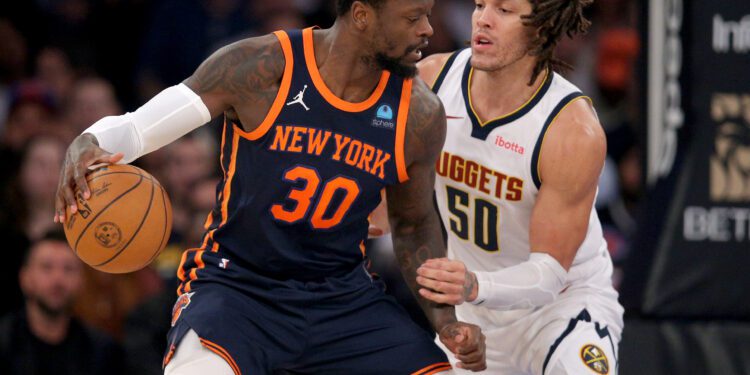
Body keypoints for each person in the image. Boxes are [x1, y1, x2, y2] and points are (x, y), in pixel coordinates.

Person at [54, 0, 487, 373]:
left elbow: (412, 225)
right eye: (413, 17)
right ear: (361, 15)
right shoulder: (261, 67)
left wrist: (444, 320)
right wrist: (89, 141)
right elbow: (137, 129)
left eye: (428, 15)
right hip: (238, 287)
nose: (428, 30)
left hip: (341, 297)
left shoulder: (419, 114)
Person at [410, 0, 625, 373]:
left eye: (504, 11)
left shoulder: (571, 129)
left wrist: (476, 285)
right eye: (480, 5)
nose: (484, 20)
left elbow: (549, 274)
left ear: (540, 28)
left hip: (561, 309)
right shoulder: (430, 82)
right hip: (474, 314)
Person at [0, 231, 124, 374]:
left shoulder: (103, 352)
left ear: (81, 280)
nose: (58, 279)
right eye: (46, 267)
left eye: (68, 269)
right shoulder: (4, 343)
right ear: (25, 278)